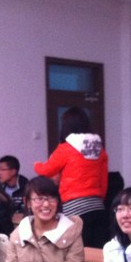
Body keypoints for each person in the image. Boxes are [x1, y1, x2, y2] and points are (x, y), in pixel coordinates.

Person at [34, 106, 109, 248]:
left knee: (75, 252)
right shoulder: (99, 149)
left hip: (74, 209)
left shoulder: (66, 148)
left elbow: (46, 171)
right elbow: (104, 180)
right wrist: (99, 200)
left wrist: (37, 165)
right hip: (97, 206)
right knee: (97, 253)